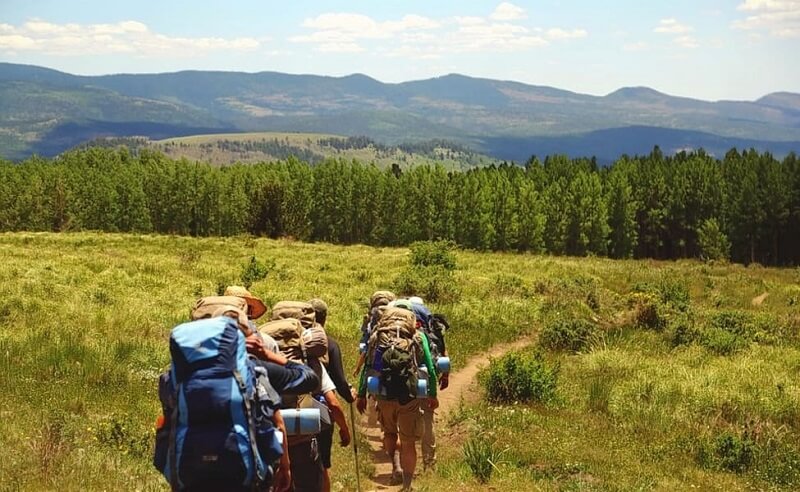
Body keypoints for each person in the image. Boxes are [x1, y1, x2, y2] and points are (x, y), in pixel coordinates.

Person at [356, 301, 438, 492]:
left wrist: (361, 394)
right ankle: (408, 485)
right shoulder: (418, 336)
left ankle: (395, 468)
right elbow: (430, 368)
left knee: (389, 433)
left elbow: (369, 367)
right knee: (408, 442)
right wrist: (432, 394)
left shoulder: (378, 336)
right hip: (409, 395)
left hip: (384, 395)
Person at [309, 298, 357, 492]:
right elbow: (339, 381)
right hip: (320, 414)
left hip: (284, 413)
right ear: (324, 318)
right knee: (321, 466)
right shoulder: (329, 344)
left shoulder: (289, 344)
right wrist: (350, 396)